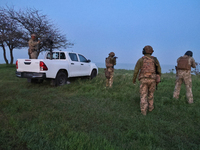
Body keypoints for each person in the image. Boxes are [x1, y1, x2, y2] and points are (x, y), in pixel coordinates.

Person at [132, 45, 161, 115]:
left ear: (143, 52)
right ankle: (151, 109)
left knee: (143, 95)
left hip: (143, 79)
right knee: (151, 95)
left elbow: (136, 71)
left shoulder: (141, 60)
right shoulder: (155, 60)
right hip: (152, 80)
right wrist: (158, 78)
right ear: (151, 52)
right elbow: (159, 70)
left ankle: (143, 112)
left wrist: (134, 80)